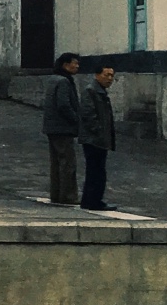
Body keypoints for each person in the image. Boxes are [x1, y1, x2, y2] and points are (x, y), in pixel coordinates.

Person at [41, 52, 83, 205]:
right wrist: (76, 120)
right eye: (75, 63)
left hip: (52, 127)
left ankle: (56, 194)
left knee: (56, 163)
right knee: (67, 163)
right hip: (63, 128)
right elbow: (64, 104)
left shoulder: (53, 80)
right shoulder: (64, 82)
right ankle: (68, 196)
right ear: (66, 65)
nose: (77, 66)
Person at [78, 63, 117, 211]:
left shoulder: (100, 91)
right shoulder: (91, 91)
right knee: (95, 171)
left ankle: (94, 199)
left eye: (112, 75)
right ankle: (91, 200)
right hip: (94, 139)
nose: (109, 78)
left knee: (98, 171)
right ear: (97, 75)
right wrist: (99, 132)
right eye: (106, 75)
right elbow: (88, 115)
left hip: (99, 138)